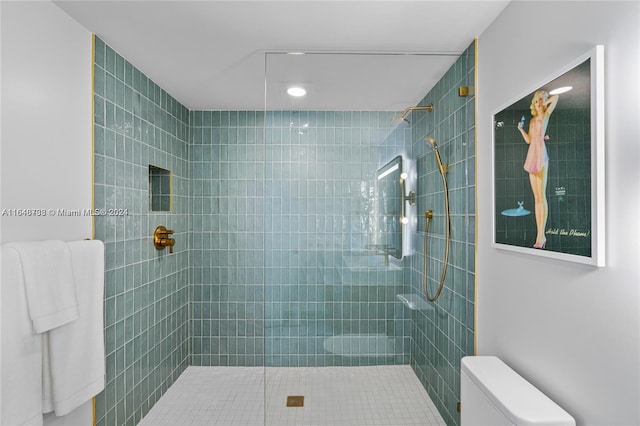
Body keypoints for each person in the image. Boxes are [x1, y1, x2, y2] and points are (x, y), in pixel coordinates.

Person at [517, 90, 559, 249]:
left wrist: (545, 101)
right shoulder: (533, 120)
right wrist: (521, 129)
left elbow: (556, 97)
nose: (539, 103)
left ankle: (540, 235)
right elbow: (529, 140)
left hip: (541, 155)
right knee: (536, 198)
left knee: (541, 196)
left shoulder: (545, 115)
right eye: (536, 101)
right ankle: (540, 234)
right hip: (531, 155)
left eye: (540, 100)